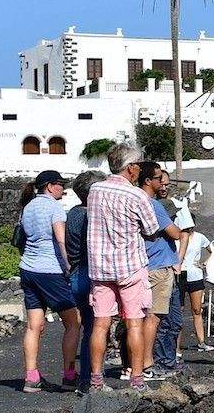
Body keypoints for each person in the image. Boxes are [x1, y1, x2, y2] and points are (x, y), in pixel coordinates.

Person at [85, 145, 178, 389]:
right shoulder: (137, 196)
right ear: (131, 168)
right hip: (129, 266)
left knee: (101, 323)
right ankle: (137, 380)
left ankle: (96, 380)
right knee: (135, 322)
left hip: (100, 266)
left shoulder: (95, 190)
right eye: (137, 164)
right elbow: (150, 230)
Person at [17, 169, 81, 392]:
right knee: (73, 322)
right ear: (50, 186)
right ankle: (70, 375)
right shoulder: (54, 207)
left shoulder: (28, 207)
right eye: (60, 185)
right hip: (50, 270)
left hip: (28, 268)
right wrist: (68, 265)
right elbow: (61, 241)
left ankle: (31, 376)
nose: (62, 189)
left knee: (34, 325)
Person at [140, 163, 186, 381]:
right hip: (158, 267)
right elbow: (176, 233)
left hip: (144, 265)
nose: (162, 183)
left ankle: (144, 363)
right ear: (148, 181)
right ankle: (148, 364)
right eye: (159, 178)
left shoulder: (136, 202)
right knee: (155, 319)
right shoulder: (153, 205)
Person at [65, 172, 99, 392]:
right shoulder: (89, 216)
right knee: (93, 329)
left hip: (76, 273)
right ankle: (88, 379)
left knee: (87, 327)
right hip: (88, 273)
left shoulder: (72, 214)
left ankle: (85, 378)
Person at [181, 220, 214, 355]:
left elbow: (212, 251)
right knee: (178, 310)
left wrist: (205, 263)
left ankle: (201, 342)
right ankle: (176, 346)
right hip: (180, 274)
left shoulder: (200, 237)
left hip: (196, 275)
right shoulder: (178, 236)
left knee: (197, 310)